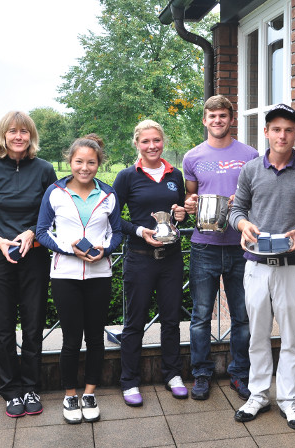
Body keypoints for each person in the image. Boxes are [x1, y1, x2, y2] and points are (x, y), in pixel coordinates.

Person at [229, 104, 295, 431]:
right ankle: (257, 394)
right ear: (267, 133)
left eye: (288, 130)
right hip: (256, 265)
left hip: (292, 266)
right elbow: (236, 210)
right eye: (276, 129)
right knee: (257, 333)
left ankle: (289, 399)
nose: (282, 135)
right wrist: (243, 225)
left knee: (290, 336)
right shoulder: (250, 170)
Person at [0, 111, 57, 418]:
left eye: (24, 131)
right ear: (3, 136)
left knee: (33, 326)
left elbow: (53, 211)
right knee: (4, 329)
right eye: (12, 131)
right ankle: (11, 391)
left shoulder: (45, 170)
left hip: (33, 256)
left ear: (30, 136)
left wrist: (33, 231)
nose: (18, 136)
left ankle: (32, 387)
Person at [36, 135, 122, 424]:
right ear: (70, 161)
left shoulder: (108, 195)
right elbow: (42, 232)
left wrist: (106, 249)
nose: (84, 167)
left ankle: (90, 393)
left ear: (99, 164)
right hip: (65, 275)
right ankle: (70, 395)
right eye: (79, 162)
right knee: (71, 339)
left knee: (96, 338)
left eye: (91, 162)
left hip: (100, 274)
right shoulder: (55, 192)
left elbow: (117, 232)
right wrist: (68, 248)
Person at [182, 95, 259, 401]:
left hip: (242, 247)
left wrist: (241, 203)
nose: (217, 120)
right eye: (212, 116)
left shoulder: (251, 155)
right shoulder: (192, 157)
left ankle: (240, 374)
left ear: (231, 119)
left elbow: (259, 194)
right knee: (200, 316)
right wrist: (189, 205)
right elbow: (191, 199)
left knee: (242, 315)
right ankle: (201, 373)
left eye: (223, 116)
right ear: (205, 120)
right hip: (205, 246)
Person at [113, 120, 188, 406]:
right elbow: (113, 217)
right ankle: (129, 381)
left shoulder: (175, 174)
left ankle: (172, 374)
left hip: (171, 258)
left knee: (171, 320)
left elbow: (181, 214)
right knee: (135, 321)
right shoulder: (127, 176)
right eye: (146, 141)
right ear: (137, 144)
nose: (152, 146)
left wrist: (182, 215)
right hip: (140, 257)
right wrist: (138, 230)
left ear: (163, 141)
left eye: (156, 140)